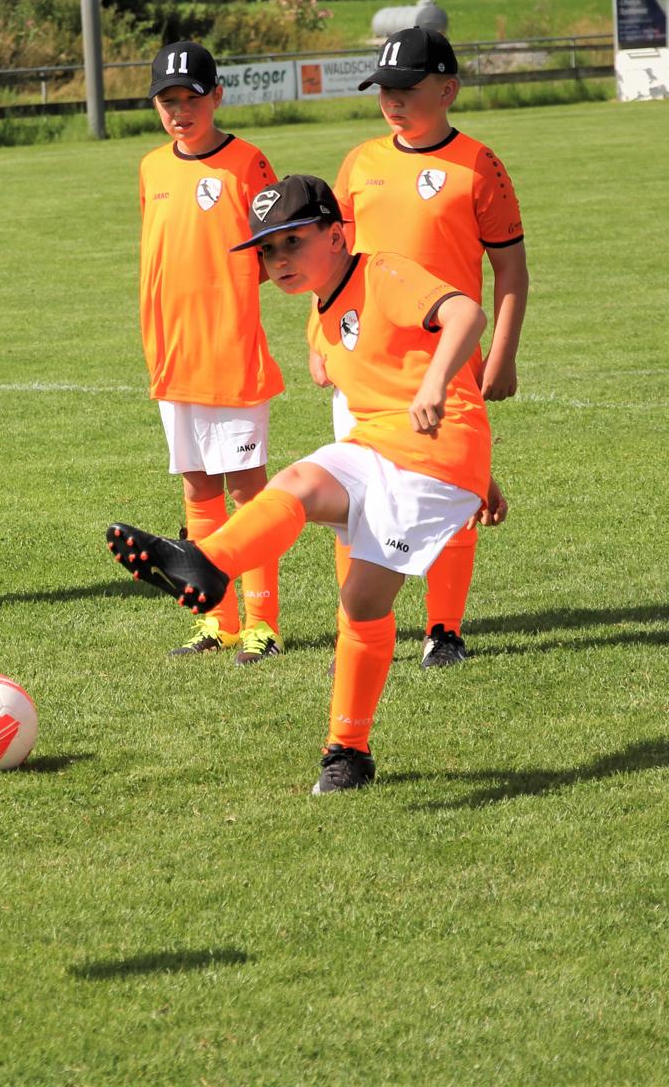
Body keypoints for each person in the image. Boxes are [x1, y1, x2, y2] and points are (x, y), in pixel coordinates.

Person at [108, 175, 503, 794]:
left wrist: (454, 430)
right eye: (268, 249)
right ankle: (208, 564)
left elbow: (466, 314)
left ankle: (348, 748)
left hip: (432, 456)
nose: (279, 259)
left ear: (337, 236)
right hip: (378, 446)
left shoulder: (384, 272)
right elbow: (395, 377)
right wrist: (479, 471)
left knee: (362, 604)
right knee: (297, 480)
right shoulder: (320, 320)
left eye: (293, 241)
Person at [329, 26, 528, 668]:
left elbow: (511, 269)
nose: (392, 100)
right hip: (367, 363)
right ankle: (357, 629)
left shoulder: (478, 164)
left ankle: (444, 630)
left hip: (448, 363)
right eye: (384, 89)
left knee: (451, 494)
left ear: (447, 91)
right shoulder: (360, 163)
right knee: (356, 497)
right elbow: (331, 263)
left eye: (407, 89)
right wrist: (321, 339)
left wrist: (503, 353)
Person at [136, 41, 285, 665]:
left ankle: (262, 624)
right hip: (172, 359)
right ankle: (215, 622)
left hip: (231, 356)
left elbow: (281, 249)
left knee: (249, 492)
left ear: (217, 96)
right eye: (167, 101)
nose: (179, 111)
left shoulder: (247, 163)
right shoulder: (151, 167)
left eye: (191, 99)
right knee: (198, 489)